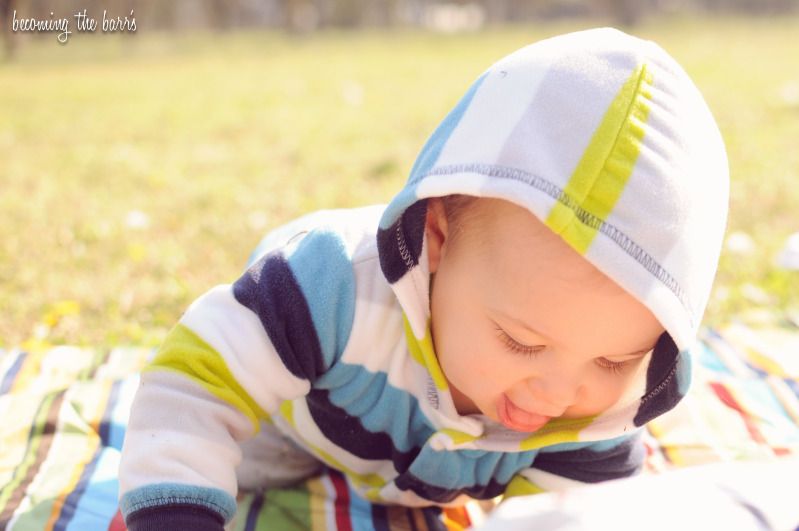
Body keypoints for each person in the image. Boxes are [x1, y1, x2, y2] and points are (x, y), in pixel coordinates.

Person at [118, 27, 729, 530]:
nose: (558, 395)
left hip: (405, 467)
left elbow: (574, 517)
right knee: (199, 474)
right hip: (291, 421)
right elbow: (194, 386)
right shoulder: (327, 288)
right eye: (521, 342)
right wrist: (175, 506)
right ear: (436, 240)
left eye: (613, 361)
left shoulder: (600, 420)